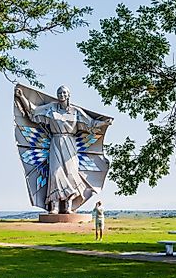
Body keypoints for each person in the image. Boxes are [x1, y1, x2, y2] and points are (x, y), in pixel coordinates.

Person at [15, 85, 112, 214]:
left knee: (71, 174)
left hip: (70, 144)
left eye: (64, 93)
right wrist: (21, 97)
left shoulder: (75, 111)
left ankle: (68, 206)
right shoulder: (51, 109)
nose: (62, 95)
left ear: (68, 95)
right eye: (59, 93)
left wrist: (104, 123)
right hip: (55, 142)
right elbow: (34, 111)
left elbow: (91, 123)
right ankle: (54, 206)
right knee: (55, 173)